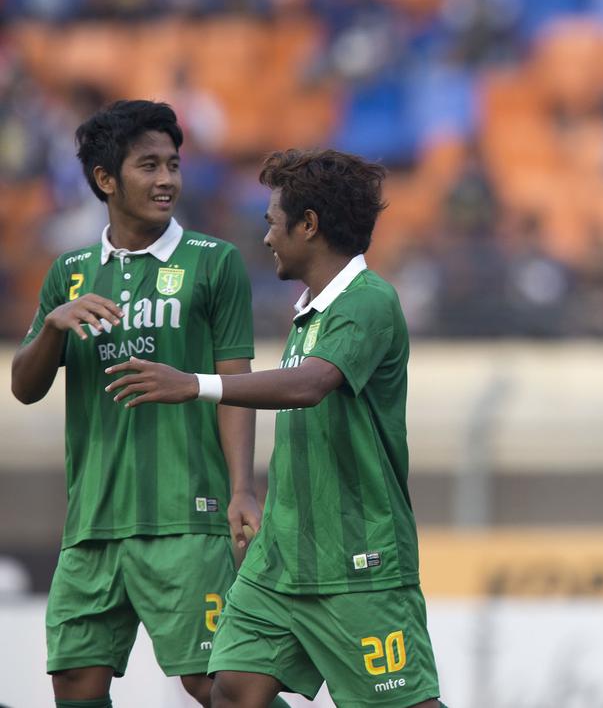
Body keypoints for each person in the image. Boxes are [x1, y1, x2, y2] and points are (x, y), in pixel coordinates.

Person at [104, 148, 444, 708]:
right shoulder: (310, 311)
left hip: (358, 564)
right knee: (232, 692)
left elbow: (309, 385)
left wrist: (195, 383)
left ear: (308, 225)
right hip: (281, 560)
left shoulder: (369, 302)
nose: (266, 238)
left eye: (272, 222)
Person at [10, 99, 260, 708]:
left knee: (214, 685)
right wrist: (53, 326)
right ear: (105, 179)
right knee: (75, 684)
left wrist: (242, 489)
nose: (167, 179)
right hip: (91, 524)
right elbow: (24, 386)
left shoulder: (214, 261)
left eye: (173, 164)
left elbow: (236, 384)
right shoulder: (69, 273)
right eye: (149, 166)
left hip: (187, 520)